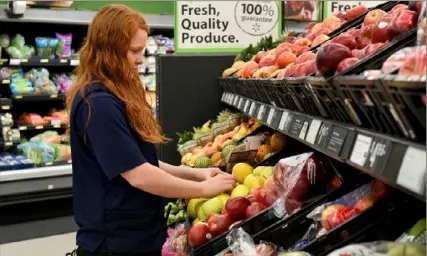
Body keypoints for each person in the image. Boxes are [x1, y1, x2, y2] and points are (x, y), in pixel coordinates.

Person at [65, 4, 236, 256]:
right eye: (134, 51)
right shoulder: (99, 105)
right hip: (115, 244)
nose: (139, 59)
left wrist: (193, 174)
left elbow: (138, 159)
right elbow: (139, 175)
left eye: (141, 50)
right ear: (109, 50)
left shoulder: (113, 93)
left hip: (136, 235)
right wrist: (202, 190)